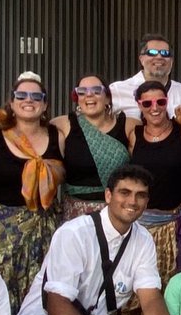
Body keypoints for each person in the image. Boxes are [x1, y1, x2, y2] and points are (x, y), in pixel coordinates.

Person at [12, 164, 181, 315]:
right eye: (124, 192)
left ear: (147, 201)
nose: (132, 201)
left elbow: (150, 297)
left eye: (140, 195)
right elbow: (55, 302)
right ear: (108, 195)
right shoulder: (73, 233)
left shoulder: (143, 240)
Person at [0, 72, 64, 312]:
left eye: (36, 96)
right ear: (11, 104)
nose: (29, 100)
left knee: (45, 291)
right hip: (4, 234)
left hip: (47, 230)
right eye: (21, 95)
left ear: (45, 104)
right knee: (3, 293)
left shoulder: (58, 137)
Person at [128, 80, 181, 283]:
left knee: (177, 282)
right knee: (142, 282)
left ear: (167, 101)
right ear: (139, 105)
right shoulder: (134, 135)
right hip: (142, 224)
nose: (155, 108)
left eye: (160, 102)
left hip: (176, 222)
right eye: (147, 103)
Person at [51, 73, 132, 222]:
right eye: (82, 92)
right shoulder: (62, 125)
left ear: (107, 97)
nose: (89, 95)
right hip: (76, 217)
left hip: (117, 215)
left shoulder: (129, 126)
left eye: (96, 90)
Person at [109, 33, 181, 121]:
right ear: (141, 59)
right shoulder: (117, 90)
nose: (159, 57)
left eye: (165, 53)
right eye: (152, 52)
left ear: (172, 61)